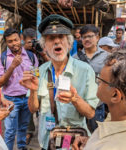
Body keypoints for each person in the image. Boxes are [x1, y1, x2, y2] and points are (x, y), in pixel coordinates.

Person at [20, 14, 99, 150]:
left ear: (69, 44)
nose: (57, 42)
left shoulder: (85, 70)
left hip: (75, 141)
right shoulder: (40, 71)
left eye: (61, 37)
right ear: (44, 47)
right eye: (51, 38)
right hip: (47, 140)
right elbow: (33, 109)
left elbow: (91, 113)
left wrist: (75, 99)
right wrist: (33, 90)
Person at [72, 49, 126, 150]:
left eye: (100, 79)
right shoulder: (117, 116)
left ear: (115, 95)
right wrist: (90, 140)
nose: (97, 81)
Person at [0, 28, 32, 150]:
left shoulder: (31, 56)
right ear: (6, 43)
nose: (14, 43)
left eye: (16, 40)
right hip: (10, 100)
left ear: (21, 39)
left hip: (27, 98)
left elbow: (36, 75)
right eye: (10, 41)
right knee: (10, 131)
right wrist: (12, 66)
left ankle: (22, 148)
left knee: (23, 127)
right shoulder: (1, 59)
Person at [73, 25, 109, 132]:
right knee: (79, 134)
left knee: (97, 134)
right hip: (80, 104)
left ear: (97, 37)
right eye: (84, 37)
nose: (87, 39)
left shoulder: (107, 56)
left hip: (98, 104)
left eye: (90, 36)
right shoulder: (75, 58)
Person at [23, 28, 39, 145]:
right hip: (24, 85)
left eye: (34, 41)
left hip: (38, 82)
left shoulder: (37, 53)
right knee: (29, 109)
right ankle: (29, 131)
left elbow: (36, 71)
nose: (32, 44)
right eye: (29, 42)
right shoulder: (22, 53)